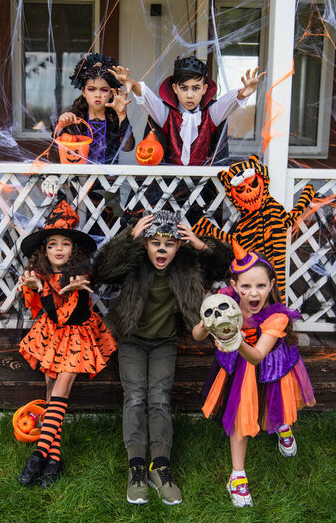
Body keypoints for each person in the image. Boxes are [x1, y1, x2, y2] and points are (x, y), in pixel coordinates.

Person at [92, 209, 232, 506]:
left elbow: (223, 266)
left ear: (177, 246)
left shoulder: (187, 264)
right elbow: (102, 271)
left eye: (168, 244)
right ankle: (137, 467)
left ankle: (161, 465)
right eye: (155, 243)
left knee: (159, 397)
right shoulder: (135, 261)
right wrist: (128, 239)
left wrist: (199, 244)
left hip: (164, 342)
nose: (161, 250)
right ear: (146, 245)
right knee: (135, 397)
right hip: (131, 339)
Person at [192, 241, 315, 508]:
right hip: (240, 368)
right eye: (245, 286)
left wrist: (233, 338)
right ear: (234, 285)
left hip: (270, 363)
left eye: (260, 285)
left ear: (271, 284)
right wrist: (207, 324)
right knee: (241, 413)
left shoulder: (277, 318)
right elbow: (197, 334)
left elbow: (258, 356)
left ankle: (282, 425)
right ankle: (237, 476)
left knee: (276, 402)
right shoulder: (225, 301)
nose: (253, 293)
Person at [17, 195, 117, 488]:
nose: (58, 249)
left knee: (63, 383)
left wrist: (49, 288)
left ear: (73, 250)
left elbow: (68, 313)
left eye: (65, 244)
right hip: (52, 335)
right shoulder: (41, 275)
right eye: (52, 245)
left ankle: (38, 453)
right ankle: (54, 457)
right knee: (50, 386)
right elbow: (42, 310)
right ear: (44, 251)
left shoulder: (81, 273)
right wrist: (36, 287)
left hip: (78, 335)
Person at [110, 56, 264, 166]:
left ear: (204, 89)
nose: (190, 95)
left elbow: (230, 101)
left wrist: (245, 92)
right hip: (167, 187)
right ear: (175, 88)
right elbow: (146, 95)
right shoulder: (165, 113)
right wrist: (132, 83)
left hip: (202, 188)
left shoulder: (212, 114)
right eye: (184, 88)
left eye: (195, 88)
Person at [42, 53, 135, 196]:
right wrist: (60, 127)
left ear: (111, 93)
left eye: (104, 90)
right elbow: (55, 153)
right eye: (92, 89)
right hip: (76, 187)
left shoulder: (113, 120)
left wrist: (122, 115)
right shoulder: (75, 120)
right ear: (84, 92)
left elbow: (128, 147)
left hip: (107, 188)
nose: (98, 95)